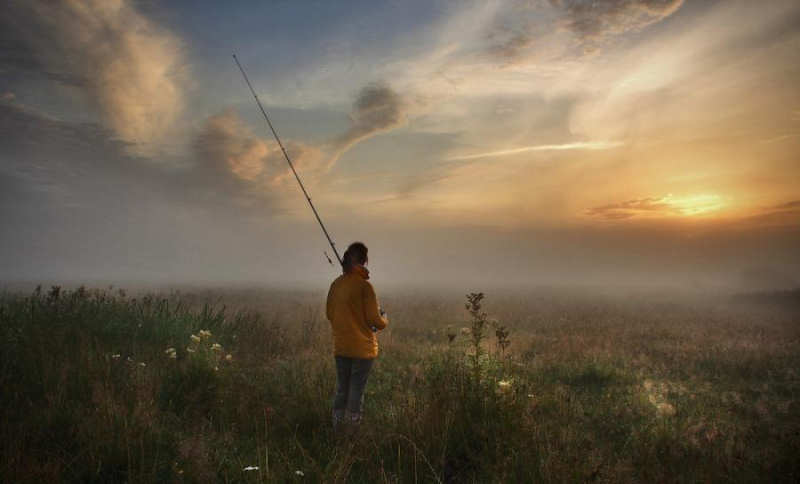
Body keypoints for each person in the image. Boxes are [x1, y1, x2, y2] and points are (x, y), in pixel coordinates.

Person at [326, 241, 388, 432]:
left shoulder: (336, 285)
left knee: (342, 389)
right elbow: (375, 321)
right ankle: (352, 434)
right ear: (363, 261)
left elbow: (330, 314)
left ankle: (337, 429)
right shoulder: (365, 287)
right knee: (355, 392)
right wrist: (384, 317)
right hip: (362, 350)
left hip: (341, 346)